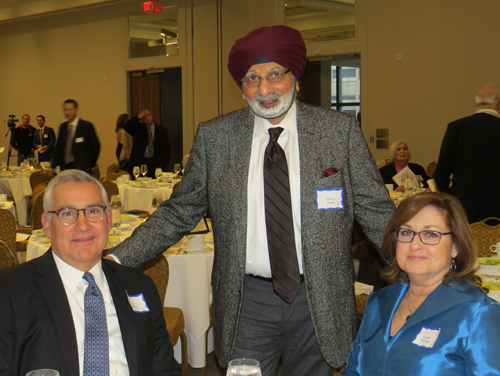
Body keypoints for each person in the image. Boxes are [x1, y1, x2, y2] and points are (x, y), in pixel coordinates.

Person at [111, 25, 394, 376]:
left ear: (295, 75)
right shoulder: (216, 138)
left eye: (275, 74)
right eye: (251, 78)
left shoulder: (338, 132)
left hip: (320, 298)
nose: (264, 89)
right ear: (241, 86)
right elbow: (178, 212)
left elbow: (377, 213)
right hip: (248, 301)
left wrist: (422, 267)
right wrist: (116, 258)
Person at [0, 170, 181, 376]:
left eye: (93, 211)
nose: (83, 225)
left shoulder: (140, 286)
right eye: (67, 213)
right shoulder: (9, 291)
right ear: (47, 226)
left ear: (109, 220)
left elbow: (164, 370)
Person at [342, 192, 500, 376]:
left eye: (431, 234)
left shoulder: (478, 313)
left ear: (456, 246)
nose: (415, 244)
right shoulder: (379, 302)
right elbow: (353, 370)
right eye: (406, 232)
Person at [434, 83, 500, 223]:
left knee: (465, 244)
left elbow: (441, 172)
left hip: (463, 207)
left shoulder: (455, 128)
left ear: (476, 103)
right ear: (498, 103)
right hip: (496, 209)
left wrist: (450, 198)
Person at [48, 99, 100, 178]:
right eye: (65, 110)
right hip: (65, 169)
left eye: (69, 109)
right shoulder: (63, 127)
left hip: (82, 169)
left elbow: (96, 146)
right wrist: (52, 166)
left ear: (76, 110)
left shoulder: (86, 126)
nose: (67, 112)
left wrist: (89, 165)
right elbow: (58, 148)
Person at [123, 109, 170, 178]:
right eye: (144, 117)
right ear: (141, 119)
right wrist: (137, 117)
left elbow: (167, 148)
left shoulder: (162, 130)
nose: (147, 118)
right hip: (141, 162)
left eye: (148, 115)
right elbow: (126, 126)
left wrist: (164, 162)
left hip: (156, 163)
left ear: (152, 116)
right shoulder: (137, 128)